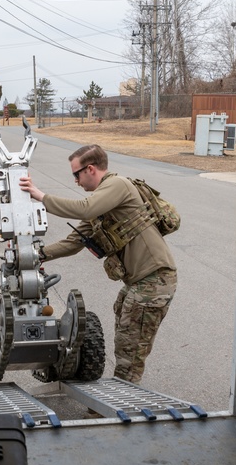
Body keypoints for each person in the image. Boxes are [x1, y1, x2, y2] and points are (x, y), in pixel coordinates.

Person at [19, 144, 177, 384]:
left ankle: (119, 408)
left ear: (90, 169)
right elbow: (74, 242)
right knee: (125, 341)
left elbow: (85, 209)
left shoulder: (118, 185)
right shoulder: (103, 202)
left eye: (76, 174)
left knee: (130, 353)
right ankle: (120, 399)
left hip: (153, 280)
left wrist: (40, 196)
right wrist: (35, 255)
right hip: (140, 282)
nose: (76, 181)